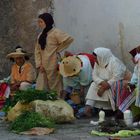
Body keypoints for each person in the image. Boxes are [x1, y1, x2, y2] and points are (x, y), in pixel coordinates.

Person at [85, 47, 133, 118]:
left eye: (96, 58)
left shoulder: (114, 62)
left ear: (102, 56)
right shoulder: (98, 62)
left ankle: (118, 110)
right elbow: (94, 75)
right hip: (105, 83)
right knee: (93, 85)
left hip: (122, 82)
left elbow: (117, 77)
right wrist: (101, 82)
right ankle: (88, 108)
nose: (95, 60)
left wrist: (105, 86)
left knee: (115, 86)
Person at [35, 12, 74, 96]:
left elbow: (69, 39)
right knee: (41, 85)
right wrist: (39, 64)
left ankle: (57, 102)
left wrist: (58, 49)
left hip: (53, 62)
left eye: (41, 22)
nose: (39, 24)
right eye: (39, 22)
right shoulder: (40, 35)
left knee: (55, 84)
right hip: (43, 64)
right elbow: (37, 51)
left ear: (47, 21)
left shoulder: (55, 32)